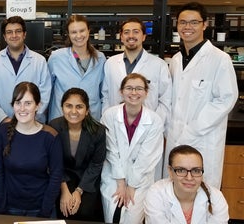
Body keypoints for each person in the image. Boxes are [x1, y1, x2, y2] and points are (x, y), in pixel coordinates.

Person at [165, 2, 238, 189]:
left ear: (205, 24)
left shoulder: (220, 59)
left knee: (202, 197)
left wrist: (192, 130)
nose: (187, 27)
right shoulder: (176, 60)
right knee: (174, 197)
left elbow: (225, 99)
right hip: (175, 139)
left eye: (194, 22)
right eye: (182, 22)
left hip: (203, 141)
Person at [101, 17, 171, 180]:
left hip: (146, 131)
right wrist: (108, 122)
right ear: (121, 36)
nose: (131, 36)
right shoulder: (111, 63)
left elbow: (166, 99)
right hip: (116, 129)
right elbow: (105, 94)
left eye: (136, 31)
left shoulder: (158, 64)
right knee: (115, 179)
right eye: (126, 32)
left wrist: (152, 125)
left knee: (143, 182)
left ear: (144, 36)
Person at [0, 81, 63, 218]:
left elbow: (56, 176)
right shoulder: (1, 133)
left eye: (28, 103)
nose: (22, 108)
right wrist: (1, 208)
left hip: (41, 208)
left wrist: (45, 212)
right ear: (13, 105)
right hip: (9, 208)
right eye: (18, 103)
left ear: (38, 106)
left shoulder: (50, 136)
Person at [100, 73, 164, 223]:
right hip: (113, 177)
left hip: (140, 180)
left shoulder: (154, 120)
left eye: (139, 89)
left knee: (132, 217)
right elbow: (111, 150)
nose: (134, 93)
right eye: (129, 88)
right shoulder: (109, 115)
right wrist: (121, 183)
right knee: (112, 217)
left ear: (146, 93)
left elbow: (147, 157)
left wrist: (132, 186)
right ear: (121, 91)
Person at [0, 16, 52, 137]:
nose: (14, 35)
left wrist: (31, 117)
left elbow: (45, 93)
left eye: (18, 31)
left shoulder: (39, 61)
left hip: (32, 124)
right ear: (4, 36)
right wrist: (2, 118)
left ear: (24, 34)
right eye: (9, 32)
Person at [49, 88, 106, 222]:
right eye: (69, 106)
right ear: (62, 108)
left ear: (86, 111)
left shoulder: (98, 131)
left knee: (85, 212)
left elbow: (96, 164)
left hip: (86, 178)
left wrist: (79, 191)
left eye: (79, 107)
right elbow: (53, 162)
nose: (74, 111)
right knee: (64, 209)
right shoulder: (54, 126)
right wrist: (64, 190)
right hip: (61, 176)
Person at [145, 145, 229, 223]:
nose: (189, 178)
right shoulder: (156, 194)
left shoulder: (216, 197)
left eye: (196, 171)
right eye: (181, 170)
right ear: (170, 171)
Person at [47, 15, 106, 121]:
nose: (78, 35)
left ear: (88, 31)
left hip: (91, 119)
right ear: (68, 35)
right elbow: (47, 91)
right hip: (62, 119)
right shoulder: (56, 57)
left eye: (82, 30)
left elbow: (103, 92)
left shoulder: (100, 58)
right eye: (74, 32)